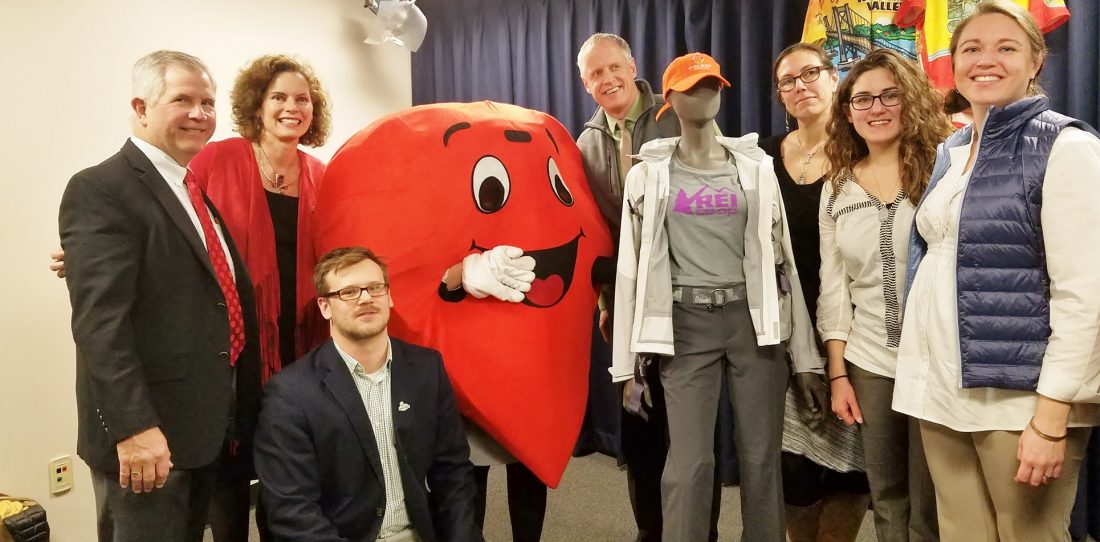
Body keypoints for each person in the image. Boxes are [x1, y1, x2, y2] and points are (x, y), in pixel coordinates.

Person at [50, 55, 333, 541]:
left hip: (205, 421)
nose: (199, 114)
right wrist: (134, 428)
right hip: (150, 433)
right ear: (141, 107)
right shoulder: (103, 188)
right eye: (182, 100)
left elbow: (199, 282)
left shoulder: (190, 188)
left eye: (207, 102)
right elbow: (100, 326)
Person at [892, 2, 1100, 540]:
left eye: (1006, 47)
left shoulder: (1066, 147)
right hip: (941, 388)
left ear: (1036, 60)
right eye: (971, 48)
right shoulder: (953, 149)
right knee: (961, 532)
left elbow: (1085, 294)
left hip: (1019, 398)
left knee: (1030, 534)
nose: (986, 60)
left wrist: (1051, 416)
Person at [612, 51, 820, 542]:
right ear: (669, 100)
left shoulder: (756, 167)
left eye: (711, 85)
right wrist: (626, 367)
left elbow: (783, 260)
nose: (703, 94)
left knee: (762, 459)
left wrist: (806, 356)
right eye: (690, 88)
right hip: (685, 325)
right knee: (689, 464)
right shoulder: (648, 175)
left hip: (754, 323)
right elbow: (629, 272)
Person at [254, 246, 482, 541]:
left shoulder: (427, 369)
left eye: (375, 288)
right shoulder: (290, 394)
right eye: (348, 292)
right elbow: (293, 512)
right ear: (325, 307)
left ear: (389, 296)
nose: (365, 298)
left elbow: (453, 476)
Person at [818, 48, 950, 542]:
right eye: (863, 99)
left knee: (932, 499)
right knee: (887, 494)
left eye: (889, 96)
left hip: (936, 359)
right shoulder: (837, 189)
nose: (876, 108)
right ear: (847, 111)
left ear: (910, 100)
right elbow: (834, 290)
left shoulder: (944, 171)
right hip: (869, 361)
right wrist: (838, 373)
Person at [758, 42, 870, 542]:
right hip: (784, 333)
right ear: (779, 94)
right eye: (788, 80)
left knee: (851, 465)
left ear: (833, 78)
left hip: (854, 331)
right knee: (793, 467)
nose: (800, 86)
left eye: (810, 73)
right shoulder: (760, 158)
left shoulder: (863, 151)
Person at [573, 32, 683, 542]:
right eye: (595, 73)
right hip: (625, 306)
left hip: (684, 297)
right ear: (585, 84)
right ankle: (649, 531)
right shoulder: (585, 144)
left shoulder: (676, 115)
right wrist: (604, 302)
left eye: (613, 67)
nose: (608, 79)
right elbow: (593, 230)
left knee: (688, 429)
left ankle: (698, 531)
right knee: (639, 425)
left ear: (632, 66)